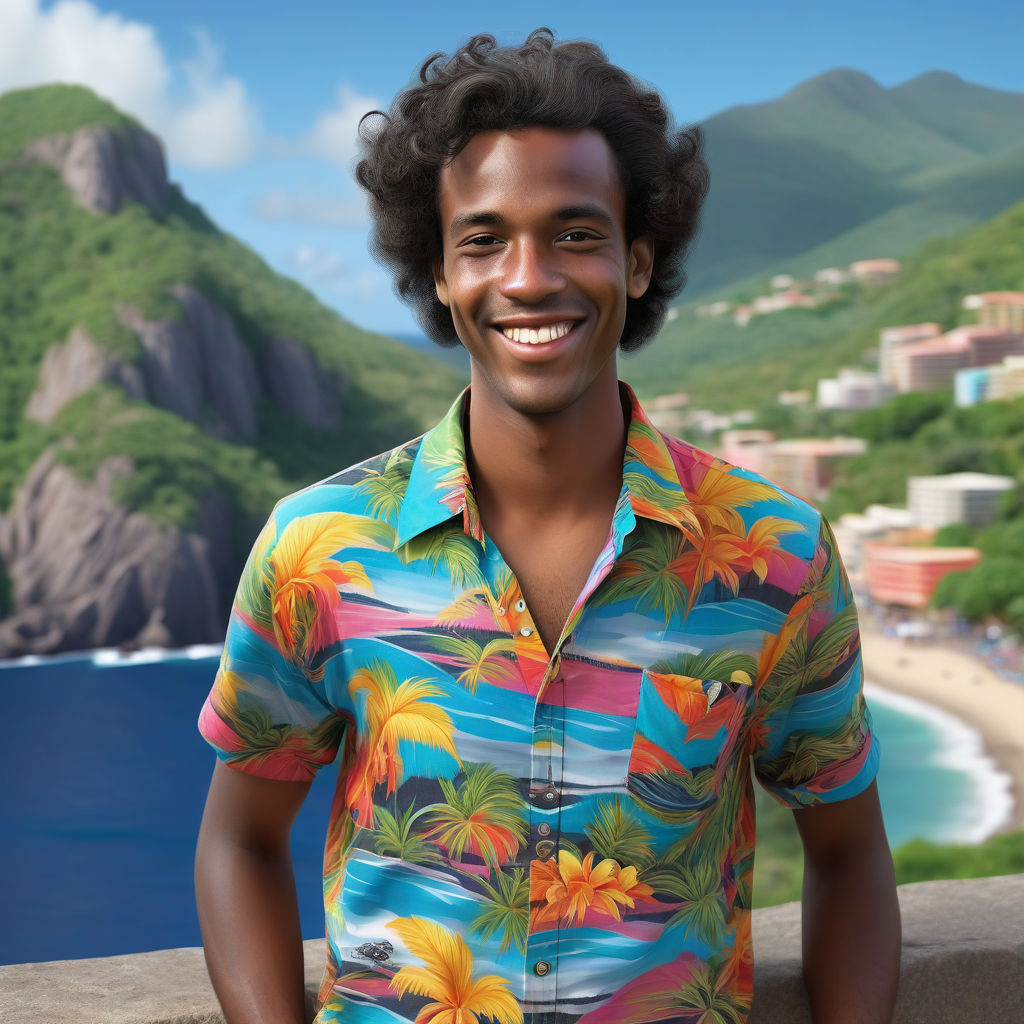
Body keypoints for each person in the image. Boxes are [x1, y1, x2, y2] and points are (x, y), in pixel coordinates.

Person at [195, 29, 901, 1024]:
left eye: (575, 233)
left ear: (638, 259)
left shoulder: (774, 556)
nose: (528, 278)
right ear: (439, 276)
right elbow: (238, 840)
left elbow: (849, 854)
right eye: (482, 240)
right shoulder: (316, 548)